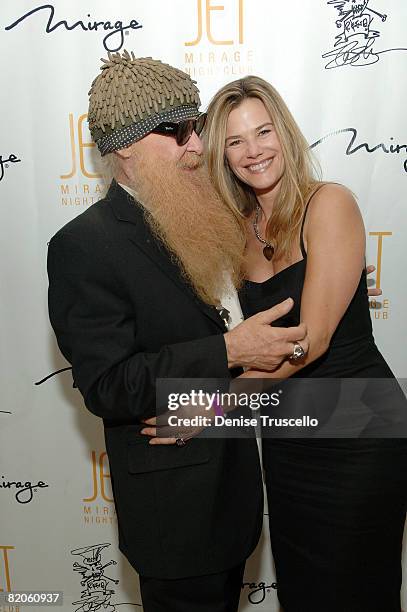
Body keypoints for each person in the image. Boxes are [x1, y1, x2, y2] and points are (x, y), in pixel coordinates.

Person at [47, 53, 309, 612]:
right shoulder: (84, 246)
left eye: (196, 125)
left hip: (237, 490)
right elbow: (109, 386)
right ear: (124, 146)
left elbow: (244, 300)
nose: (196, 143)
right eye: (176, 130)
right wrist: (226, 351)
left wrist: (328, 274)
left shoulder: (210, 211)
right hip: (175, 508)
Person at [200, 75, 407, 612]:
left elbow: (307, 345)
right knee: (304, 587)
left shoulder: (328, 203)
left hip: (360, 431)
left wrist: (206, 409)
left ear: (285, 134)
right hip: (291, 433)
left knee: (355, 589)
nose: (254, 151)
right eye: (235, 141)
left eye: (264, 131)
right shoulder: (237, 229)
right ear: (221, 154)